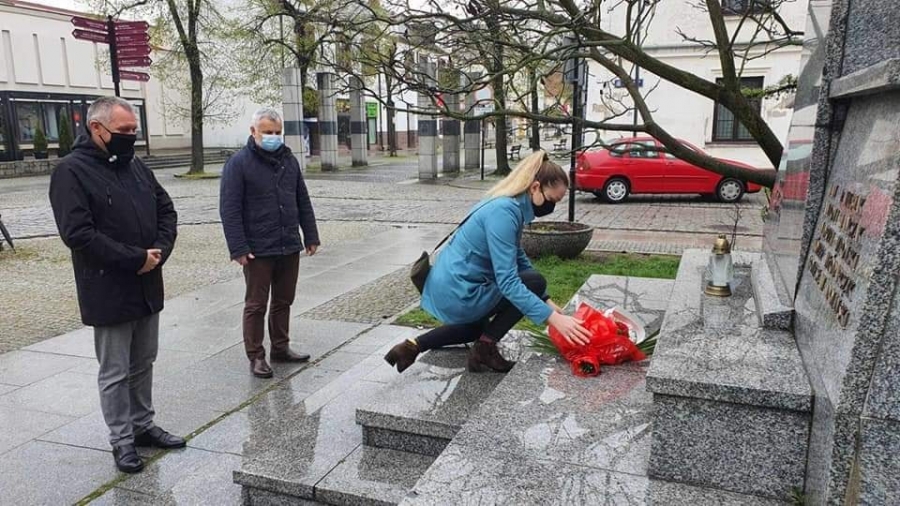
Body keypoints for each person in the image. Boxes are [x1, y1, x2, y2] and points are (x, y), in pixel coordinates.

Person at [49, 96, 183, 474]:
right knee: (115, 370)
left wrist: (158, 252)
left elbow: (166, 210)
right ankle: (122, 440)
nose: (131, 137)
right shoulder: (71, 171)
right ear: (97, 128)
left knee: (144, 362)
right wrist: (134, 258)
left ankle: (143, 425)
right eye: (124, 130)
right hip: (108, 288)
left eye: (134, 130)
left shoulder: (135, 165)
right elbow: (78, 233)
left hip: (147, 284)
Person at [385, 151, 591, 373]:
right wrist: (552, 319)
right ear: (535, 187)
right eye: (552, 200)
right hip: (460, 293)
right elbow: (508, 282)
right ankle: (485, 349)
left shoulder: (505, 203)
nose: (552, 207)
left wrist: (545, 301)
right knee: (534, 282)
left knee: (478, 329)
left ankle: (411, 347)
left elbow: (517, 255)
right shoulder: (504, 213)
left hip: (450, 288)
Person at [220, 107, 320, 379]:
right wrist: (238, 248)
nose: (273, 137)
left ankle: (280, 347)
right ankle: (256, 356)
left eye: (277, 132)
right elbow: (229, 209)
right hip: (257, 248)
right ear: (253, 132)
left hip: (288, 243)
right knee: (256, 304)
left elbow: (302, 199)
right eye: (267, 132)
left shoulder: (289, 160)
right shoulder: (238, 164)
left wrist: (310, 235)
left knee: (284, 300)